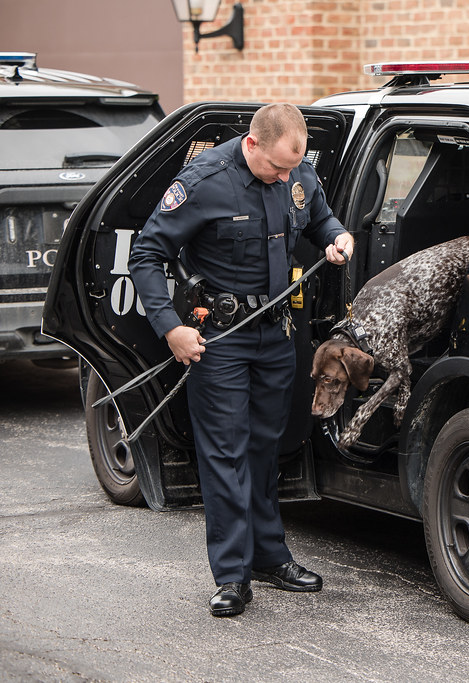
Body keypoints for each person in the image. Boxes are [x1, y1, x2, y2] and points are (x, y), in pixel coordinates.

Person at [128, 103, 354, 617]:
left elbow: (320, 219)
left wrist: (337, 236)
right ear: (252, 144)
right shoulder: (204, 181)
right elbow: (146, 255)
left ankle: (270, 557)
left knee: (264, 449)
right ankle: (232, 575)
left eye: (293, 167)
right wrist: (171, 328)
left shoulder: (296, 171)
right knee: (226, 453)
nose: (286, 177)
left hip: (275, 334)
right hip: (221, 338)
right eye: (277, 167)